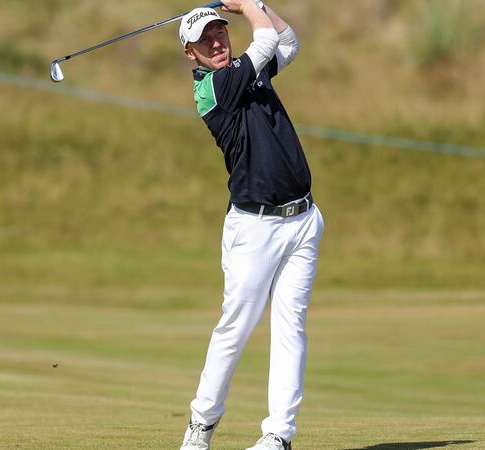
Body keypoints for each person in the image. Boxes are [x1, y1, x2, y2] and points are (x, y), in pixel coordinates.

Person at [177, 1, 324, 450]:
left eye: (221, 32)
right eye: (206, 40)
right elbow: (264, 41)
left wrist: (257, 6)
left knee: (290, 326)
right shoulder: (215, 87)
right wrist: (251, 6)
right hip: (254, 228)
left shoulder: (248, 70)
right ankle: (201, 424)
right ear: (191, 54)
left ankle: (278, 434)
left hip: (302, 219)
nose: (217, 42)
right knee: (235, 327)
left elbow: (287, 41)